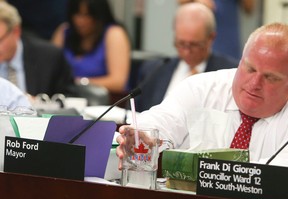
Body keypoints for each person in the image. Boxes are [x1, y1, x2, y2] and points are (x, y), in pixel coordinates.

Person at [117, 22, 288, 168]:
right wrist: (142, 136)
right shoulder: (201, 88)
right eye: (250, 69)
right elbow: (162, 120)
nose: (254, 84)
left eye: (270, 77)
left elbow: (279, 173)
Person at [136, 3, 238, 112]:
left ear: (211, 38)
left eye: (193, 45)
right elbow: (135, 114)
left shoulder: (229, 74)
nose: (186, 51)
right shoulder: (155, 69)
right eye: (181, 43)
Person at [52, 0, 131, 93]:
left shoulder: (114, 33)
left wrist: (80, 83)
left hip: (105, 101)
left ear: (99, 15)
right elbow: (49, 72)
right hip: (65, 98)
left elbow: (118, 82)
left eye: (87, 15)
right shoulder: (64, 31)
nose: (80, 21)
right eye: (77, 14)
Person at [0, 2, 75, 98]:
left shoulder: (49, 57)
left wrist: (40, 104)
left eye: (0, 40)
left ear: (16, 32)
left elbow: (71, 100)